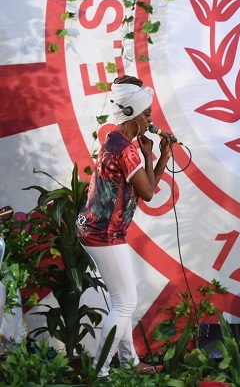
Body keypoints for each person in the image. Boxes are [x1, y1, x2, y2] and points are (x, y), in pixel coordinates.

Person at [77, 75, 172, 379]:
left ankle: (128, 362)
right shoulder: (125, 150)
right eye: (147, 114)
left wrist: (151, 156)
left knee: (123, 302)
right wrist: (156, 158)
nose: (150, 119)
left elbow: (144, 187)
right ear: (131, 113)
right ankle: (100, 371)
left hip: (96, 228)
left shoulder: (116, 140)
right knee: (125, 302)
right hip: (103, 233)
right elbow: (146, 193)